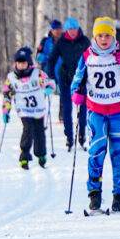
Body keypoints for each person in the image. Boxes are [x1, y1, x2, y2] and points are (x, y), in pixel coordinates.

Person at [70, 17, 120, 212]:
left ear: (113, 36)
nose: (103, 39)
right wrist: (75, 93)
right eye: (100, 35)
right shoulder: (87, 56)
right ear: (94, 36)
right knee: (96, 152)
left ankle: (119, 195)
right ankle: (94, 194)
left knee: (118, 153)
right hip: (96, 111)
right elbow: (77, 80)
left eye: (107, 35)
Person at [2, 46, 56, 170]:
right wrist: (6, 111)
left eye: (23, 62)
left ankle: (41, 154)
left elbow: (49, 81)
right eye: (18, 62)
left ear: (29, 63)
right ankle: (24, 156)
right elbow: (6, 95)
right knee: (28, 130)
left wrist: (49, 87)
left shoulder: (37, 74)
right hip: (24, 110)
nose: (21, 65)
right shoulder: (11, 77)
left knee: (39, 132)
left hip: (38, 109)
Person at [46, 17, 90, 151]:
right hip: (65, 78)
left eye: (74, 29)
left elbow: (93, 57)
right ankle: (69, 137)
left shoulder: (84, 41)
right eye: (69, 29)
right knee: (66, 108)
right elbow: (51, 60)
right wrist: (52, 77)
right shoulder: (61, 42)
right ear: (66, 30)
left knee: (83, 107)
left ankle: (82, 134)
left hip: (80, 78)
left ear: (77, 29)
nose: (72, 32)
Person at [36, 19, 64, 122]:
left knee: (63, 95)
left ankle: (62, 116)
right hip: (48, 72)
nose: (58, 31)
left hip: (62, 71)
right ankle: (39, 115)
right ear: (52, 30)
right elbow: (38, 56)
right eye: (55, 29)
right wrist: (45, 57)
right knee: (43, 94)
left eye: (59, 29)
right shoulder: (45, 41)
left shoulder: (65, 40)